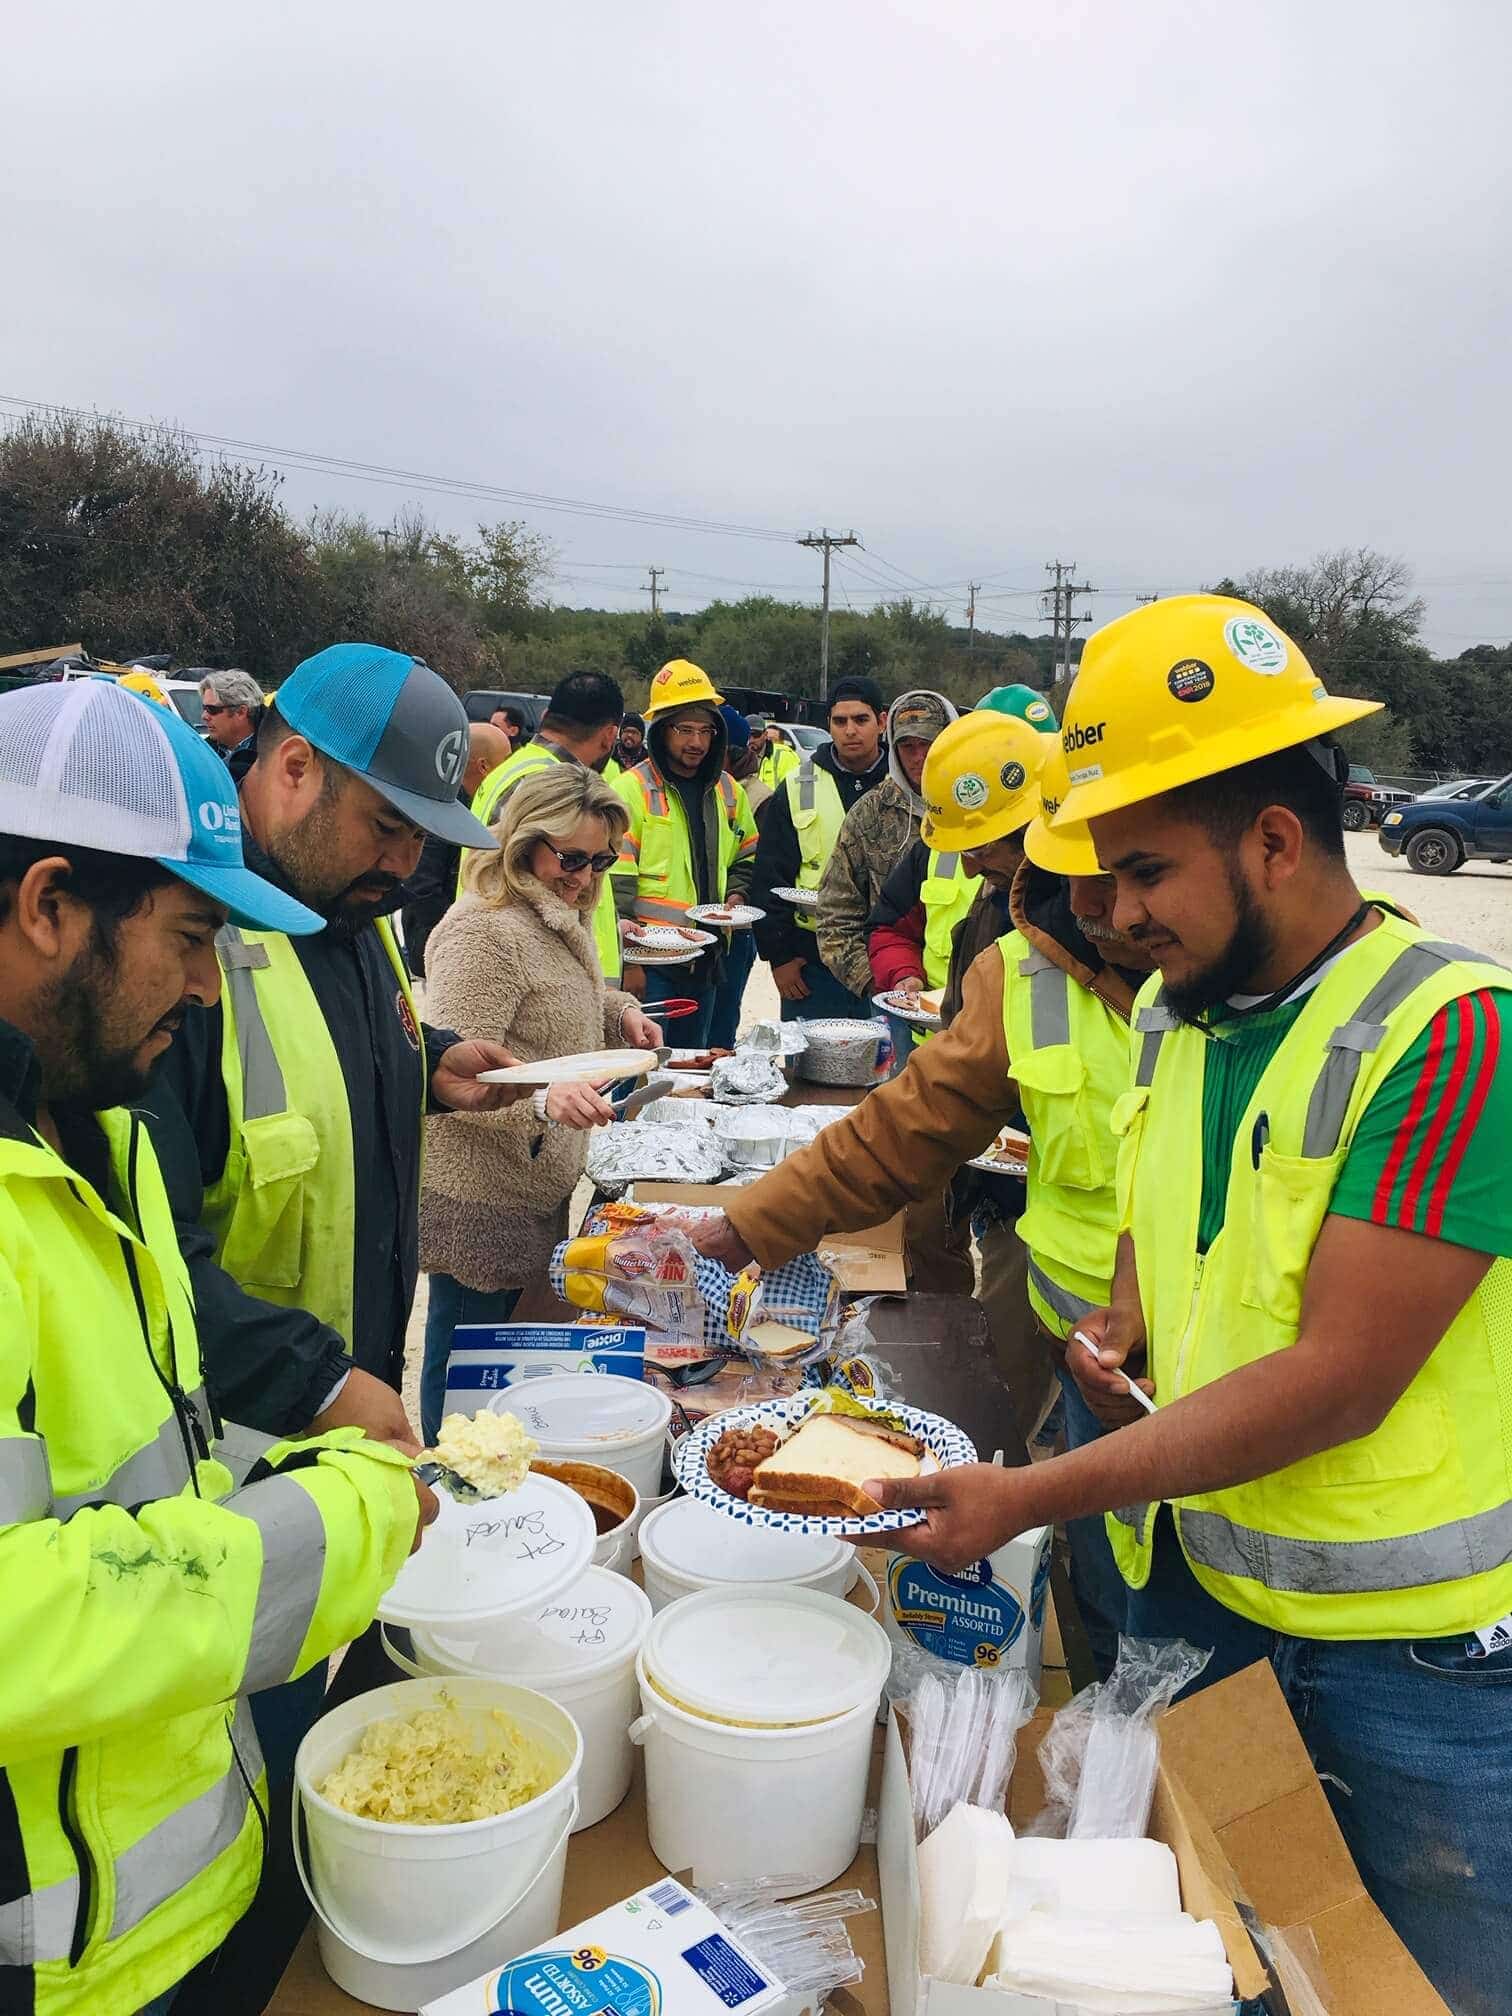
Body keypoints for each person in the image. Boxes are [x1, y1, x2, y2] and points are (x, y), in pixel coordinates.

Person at [868, 595, 1512, 2012]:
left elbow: (1341, 1375)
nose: (1105, 914)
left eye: (1142, 870)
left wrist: (1033, 1492)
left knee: (1424, 1985)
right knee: (1241, 1957)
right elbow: (1174, 1205)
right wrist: (1127, 1316)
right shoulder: (1184, 1008)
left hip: (1420, 1670)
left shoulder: (1455, 1034)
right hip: (1216, 1599)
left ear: (1276, 842)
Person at [0, 678, 435, 2016]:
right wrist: (346, 1514)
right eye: (189, 936)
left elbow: (143, 1491)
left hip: (175, 1908)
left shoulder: (104, 1138)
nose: (207, 981)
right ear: (49, 906)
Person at [418, 766, 662, 1442]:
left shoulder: (554, 914)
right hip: (482, 1194)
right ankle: (450, 1487)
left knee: (505, 1355)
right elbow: (458, 1075)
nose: (585, 877)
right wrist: (541, 1106)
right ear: (524, 843)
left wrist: (622, 1015)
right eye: (573, 857)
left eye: (602, 860)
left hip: (533, 1181)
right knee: (468, 1368)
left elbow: (561, 1005)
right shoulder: (483, 933)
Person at [612, 660, 758, 1044]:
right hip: (652, 964)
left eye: (706, 731)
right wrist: (630, 963)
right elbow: (615, 887)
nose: (696, 742)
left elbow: (747, 856)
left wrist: (737, 897)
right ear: (660, 730)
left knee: (691, 1070)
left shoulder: (729, 791)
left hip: (707, 960)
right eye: (685, 730)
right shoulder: (631, 790)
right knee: (642, 1072)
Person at [461, 672, 626, 983]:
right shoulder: (551, 787)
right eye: (574, 859)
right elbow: (517, 888)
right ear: (609, 735)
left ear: (546, 716)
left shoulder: (510, 769)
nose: (586, 875)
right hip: (537, 974)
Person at [750, 678, 898, 1019]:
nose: (850, 731)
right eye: (839, 721)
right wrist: (780, 957)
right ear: (828, 724)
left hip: (889, 956)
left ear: (882, 721)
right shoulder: (799, 785)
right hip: (812, 964)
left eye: (861, 720)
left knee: (891, 1070)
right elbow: (770, 874)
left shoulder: (905, 784)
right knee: (811, 1069)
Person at [399, 719, 511, 976]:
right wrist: (452, 943)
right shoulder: (445, 809)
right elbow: (422, 884)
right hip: (441, 948)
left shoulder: (479, 804)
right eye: (507, 760)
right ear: (485, 766)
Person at [709, 706, 765, 1047]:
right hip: (706, 932)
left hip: (737, 931)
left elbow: (753, 861)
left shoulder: (753, 797)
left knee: (721, 1023)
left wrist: (738, 895)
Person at [199, 668, 266, 784]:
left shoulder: (274, 755)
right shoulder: (202, 751)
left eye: (212, 709)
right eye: (204, 708)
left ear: (241, 712)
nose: (204, 716)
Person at [750, 716, 799, 793]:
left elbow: (795, 787)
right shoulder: (739, 757)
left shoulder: (785, 756)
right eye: (748, 735)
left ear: (765, 734)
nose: (751, 740)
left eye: (756, 735)